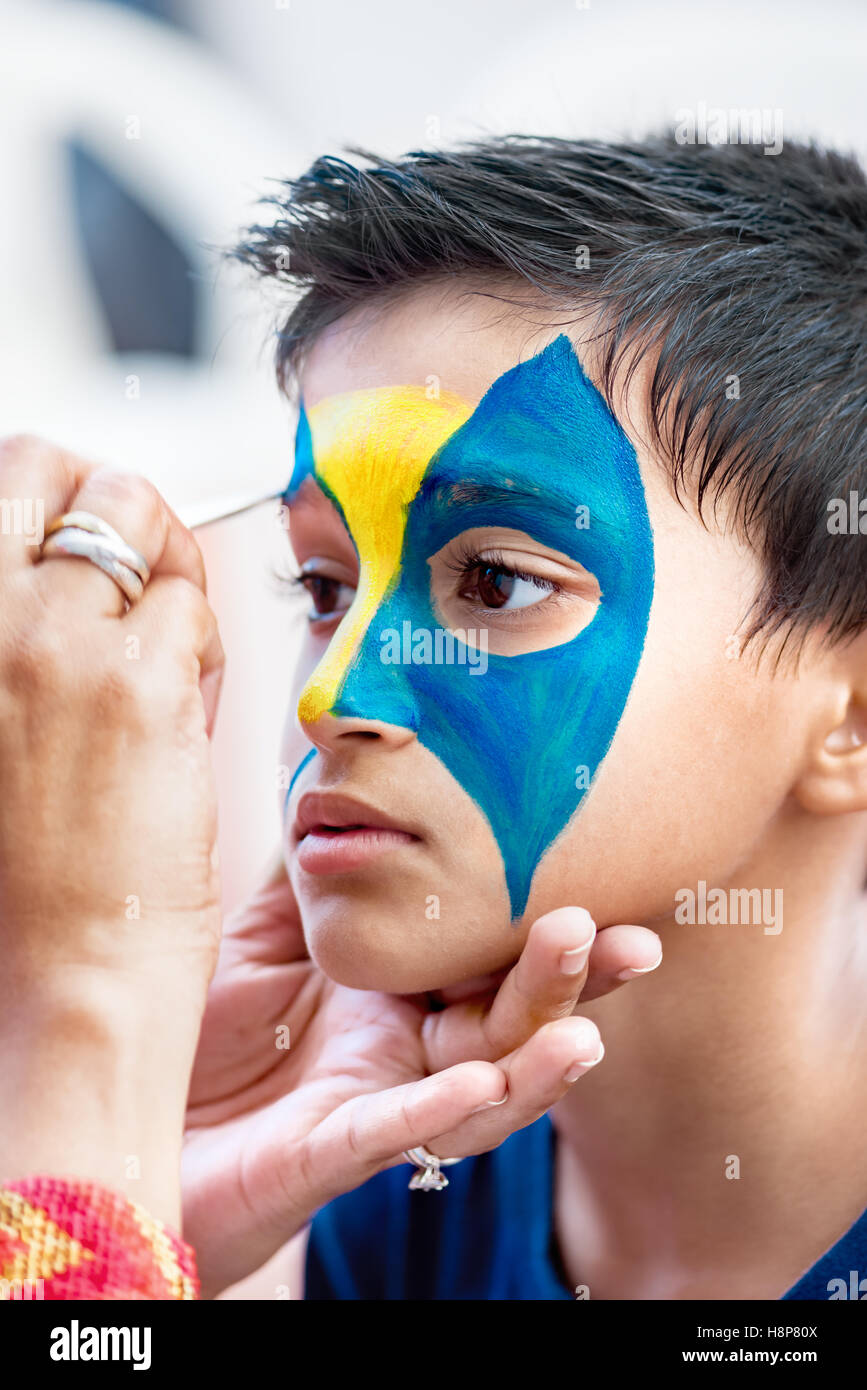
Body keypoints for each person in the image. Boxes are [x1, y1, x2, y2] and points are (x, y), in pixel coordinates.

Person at [229, 134, 867, 1299]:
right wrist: (141, 1186)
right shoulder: (393, 1189)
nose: (331, 693)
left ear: (853, 716)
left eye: (497, 582)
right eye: (325, 590)